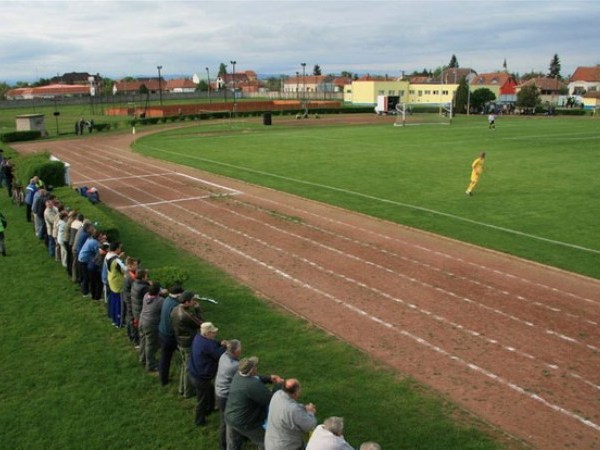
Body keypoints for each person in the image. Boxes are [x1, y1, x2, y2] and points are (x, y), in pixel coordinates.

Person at [225, 356, 282, 450]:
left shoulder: (238, 375)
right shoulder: (252, 385)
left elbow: (256, 377)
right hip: (245, 422)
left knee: (233, 444)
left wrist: (269, 378)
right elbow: (271, 400)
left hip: (230, 417)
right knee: (265, 441)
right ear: (252, 370)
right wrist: (279, 385)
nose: (257, 367)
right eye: (255, 366)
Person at [188, 321, 227, 426]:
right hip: (200, 378)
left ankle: (210, 408)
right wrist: (224, 346)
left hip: (193, 372)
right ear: (207, 334)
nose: (215, 334)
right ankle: (199, 420)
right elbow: (218, 354)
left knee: (209, 390)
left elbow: (212, 344)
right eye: (212, 333)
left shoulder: (199, 337)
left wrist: (219, 343)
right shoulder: (207, 345)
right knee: (201, 400)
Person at [264, 378, 317, 450]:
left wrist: (304, 407)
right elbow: (309, 425)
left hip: (271, 442)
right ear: (296, 392)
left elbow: (292, 406)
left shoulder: (278, 394)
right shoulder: (293, 410)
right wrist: (311, 412)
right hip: (287, 446)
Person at [172, 290, 204, 398]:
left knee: (184, 365)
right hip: (187, 343)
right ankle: (188, 391)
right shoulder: (186, 315)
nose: (193, 302)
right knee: (188, 367)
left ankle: (182, 388)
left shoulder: (175, 309)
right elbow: (201, 323)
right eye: (192, 300)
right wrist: (197, 309)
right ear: (186, 302)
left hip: (180, 341)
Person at [215, 339, 243, 450]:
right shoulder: (234, 366)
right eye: (240, 349)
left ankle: (223, 444)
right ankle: (231, 445)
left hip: (218, 392)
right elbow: (246, 377)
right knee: (230, 424)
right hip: (226, 396)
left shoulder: (224, 356)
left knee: (224, 419)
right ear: (235, 351)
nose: (241, 351)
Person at [158, 284, 184, 386]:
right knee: (184, 355)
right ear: (178, 295)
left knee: (164, 358)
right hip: (170, 336)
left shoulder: (167, 300)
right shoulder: (175, 306)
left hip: (162, 332)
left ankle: (162, 379)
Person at [138, 282, 165, 372]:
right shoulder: (160, 301)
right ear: (158, 292)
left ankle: (142, 359)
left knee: (143, 340)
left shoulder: (146, 296)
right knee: (150, 345)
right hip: (150, 325)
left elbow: (155, 294)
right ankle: (150, 365)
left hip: (141, 321)